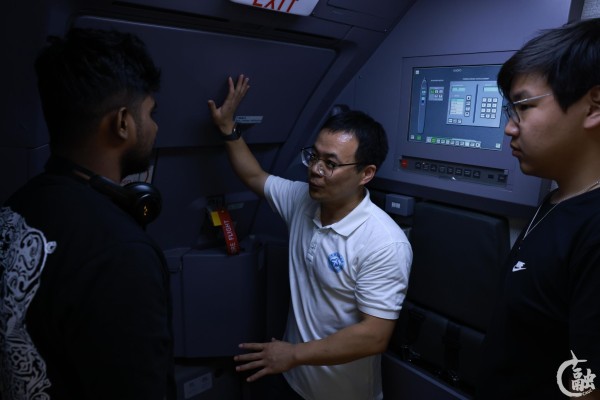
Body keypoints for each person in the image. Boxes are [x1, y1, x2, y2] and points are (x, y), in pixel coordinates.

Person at [208, 75, 412, 400]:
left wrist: (292, 354)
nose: (315, 169)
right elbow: (254, 175)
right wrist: (227, 127)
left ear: (366, 173)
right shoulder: (301, 199)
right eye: (314, 156)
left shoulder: (384, 242)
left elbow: (374, 336)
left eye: (330, 163)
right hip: (293, 380)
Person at [0, 28, 175, 399]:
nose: (156, 126)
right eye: (150, 113)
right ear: (123, 122)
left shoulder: (14, 208)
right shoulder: (122, 255)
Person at [477, 18, 600, 399]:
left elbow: (586, 387)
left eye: (524, 107)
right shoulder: (558, 200)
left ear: (594, 106)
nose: (510, 128)